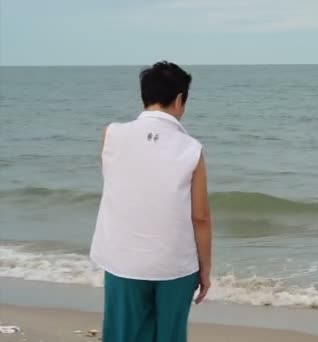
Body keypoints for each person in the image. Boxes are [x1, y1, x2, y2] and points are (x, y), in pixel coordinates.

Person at [90, 61, 212, 342]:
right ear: (180, 100)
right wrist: (205, 269)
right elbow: (201, 217)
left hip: (123, 258)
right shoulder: (192, 149)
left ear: (144, 96)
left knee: (123, 335)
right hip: (174, 263)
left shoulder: (112, 134)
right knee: (169, 336)